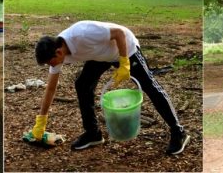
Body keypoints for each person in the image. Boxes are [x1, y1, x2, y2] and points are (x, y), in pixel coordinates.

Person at [27, 20, 190, 155]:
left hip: (126, 48)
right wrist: (41, 121)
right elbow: (50, 88)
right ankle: (93, 134)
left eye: (50, 62)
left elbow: (119, 33)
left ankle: (178, 132)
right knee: (82, 84)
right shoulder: (57, 55)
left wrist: (124, 62)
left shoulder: (82, 33)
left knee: (149, 86)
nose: (51, 66)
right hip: (100, 55)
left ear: (58, 52)